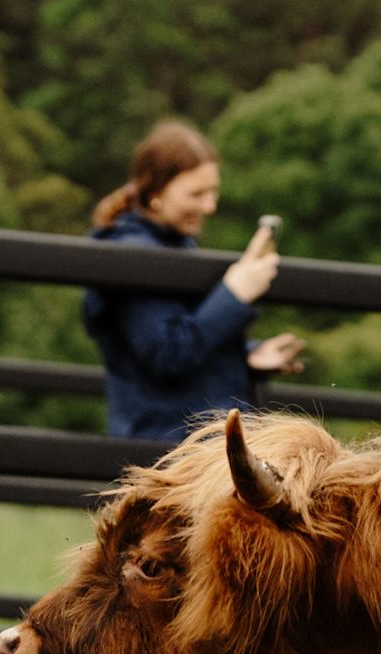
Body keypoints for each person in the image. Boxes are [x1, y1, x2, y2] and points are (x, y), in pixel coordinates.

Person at [83, 120, 305, 444]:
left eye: (213, 191)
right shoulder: (131, 254)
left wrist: (245, 356)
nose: (209, 205)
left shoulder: (174, 243)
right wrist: (234, 293)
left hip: (190, 441)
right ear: (156, 191)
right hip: (167, 449)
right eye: (196, 193)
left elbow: (186, 335)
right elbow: (167, 353)